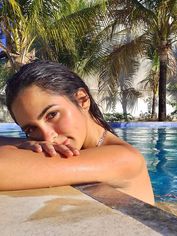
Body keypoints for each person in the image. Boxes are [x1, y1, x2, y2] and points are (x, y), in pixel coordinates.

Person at [0, 60, 154, 205]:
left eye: (52, 115)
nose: (47, 137)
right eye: (31, 129)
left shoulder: (124, 159)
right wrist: (22, 143)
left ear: (82, 100)